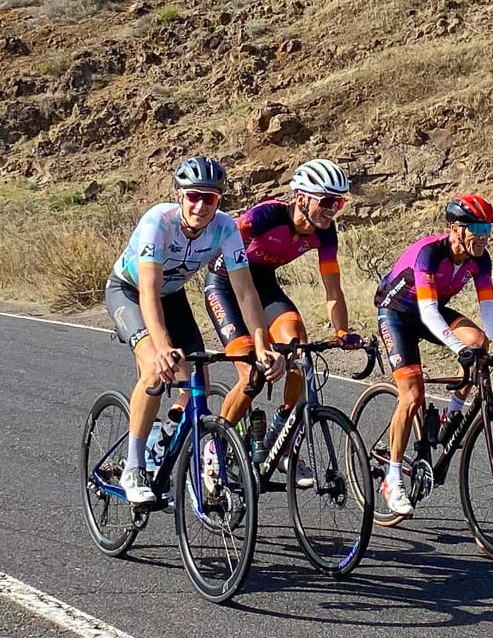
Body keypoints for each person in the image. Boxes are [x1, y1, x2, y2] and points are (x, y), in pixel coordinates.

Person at [104, 156, 276, 505]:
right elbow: (148, 291)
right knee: (155, 367)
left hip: (172, 294)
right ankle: (134, 466)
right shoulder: (158, 222)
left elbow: (245, 291)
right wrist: (163, 345)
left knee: (198, 382)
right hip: (129, 291)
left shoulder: (226, 228)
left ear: (219, 201)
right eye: (193, 196)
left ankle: (163, 437)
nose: (200, 205)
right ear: (180, 196)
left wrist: (262, 343)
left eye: (209, 198)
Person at [203, 159, 362, 443]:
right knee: (252, 375)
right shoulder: (266, 216)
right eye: (326, 201)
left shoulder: (326, 233)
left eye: (338, 203)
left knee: (299, 350)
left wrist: (341, 331)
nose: (332, 210)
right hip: (225, 285)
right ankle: (216, 448)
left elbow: (333, 289)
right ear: (301, 198)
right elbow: (225, 240)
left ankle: (280, 434)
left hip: (263, 286)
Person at [372, 194, 493, 515]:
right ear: (455, 228)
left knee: (479, 343)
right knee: (413, 395)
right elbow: (429, 311)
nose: (483, 234)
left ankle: (452, 413)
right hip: (398, 314)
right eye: (475, 226)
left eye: (486, 226)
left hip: (431, 311)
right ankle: (392, 478)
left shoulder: (480, 258)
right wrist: (456, 348)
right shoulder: (430, 254)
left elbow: (487, 306)